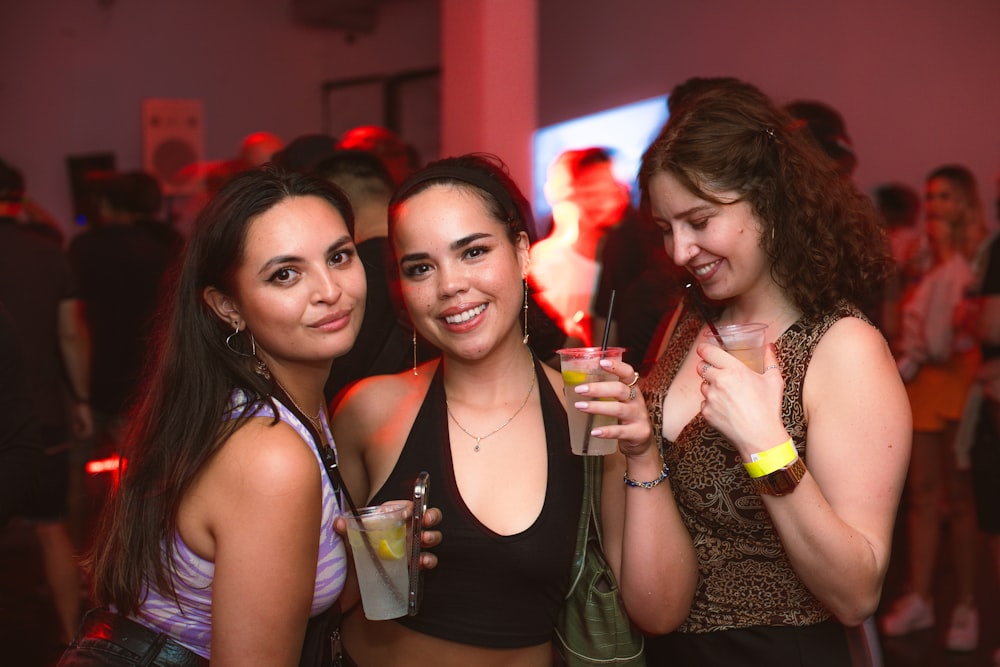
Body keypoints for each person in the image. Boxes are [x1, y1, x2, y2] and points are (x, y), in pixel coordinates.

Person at [56, 166, 439, 666]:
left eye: (339, 256)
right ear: (227, 306)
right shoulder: (269, 455)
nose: (329, 290)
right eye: (286, 274)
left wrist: (377, 562)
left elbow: (284, 599)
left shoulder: (278, 402)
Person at [602, 79, 911, 665]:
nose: (680, 251)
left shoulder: (844, 349)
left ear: (768, 201)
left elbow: (856, 594)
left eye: (699, 221)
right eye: (667, 229)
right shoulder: (688, 318)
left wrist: (764, 442)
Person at [330, 153, 644, 666]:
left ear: (522, 252)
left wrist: (646, 456)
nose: (449, 285)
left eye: (473, 252)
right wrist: (367, 561)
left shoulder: (589, 412)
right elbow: (317, 601)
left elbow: (656, 611)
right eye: (421, 267)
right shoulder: (366, 409)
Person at [879, 165, 988, 652]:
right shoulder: (920, 254)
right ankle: (919, 595)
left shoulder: (983, 253)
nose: (936, 205)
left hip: (963, 380)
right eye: (930, 196)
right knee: (921, 497)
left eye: (946, 196)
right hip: (923, 381)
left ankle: (966, 603)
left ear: (966, 201)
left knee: (963, 501)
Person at [0, 158, 93, 649]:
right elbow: (69, 334)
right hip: (41, 416)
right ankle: (69, 640)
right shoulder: (46, 251)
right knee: (55, 530)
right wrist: (79, 398)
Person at [530, 147, 631, 347]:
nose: (609, 200)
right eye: (594, 190)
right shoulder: (544, 262)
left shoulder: (622, 260)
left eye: (612, 187)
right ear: (567, 192)